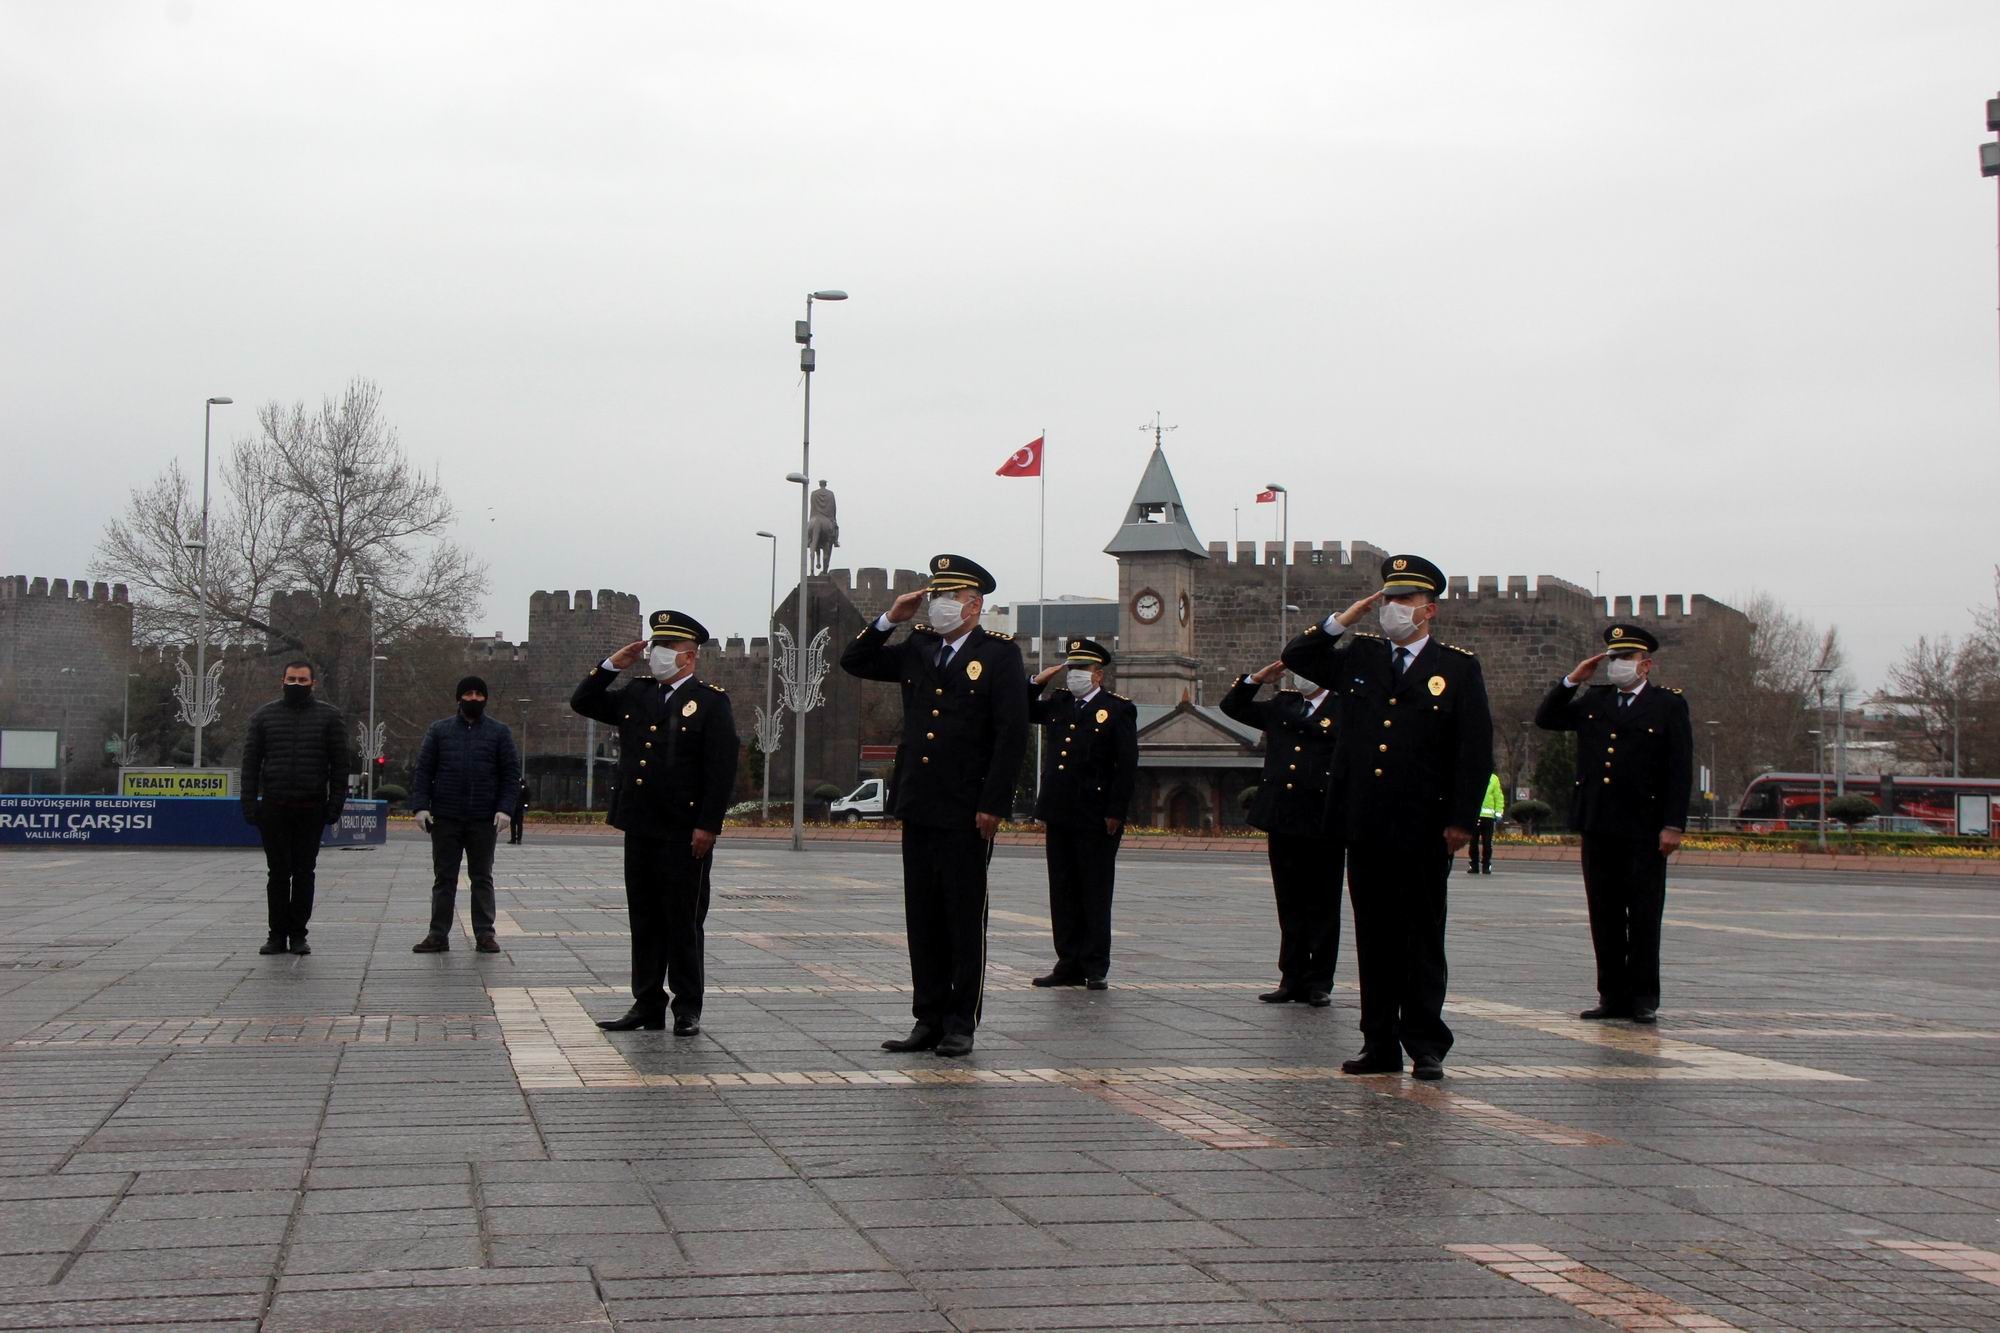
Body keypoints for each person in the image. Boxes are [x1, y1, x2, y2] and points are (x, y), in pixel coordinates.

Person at [1284, 554, 1492, 1081]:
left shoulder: (1457, 669)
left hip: (1425, 825)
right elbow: (1299, 654)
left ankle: (1425, 1041)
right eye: (1389, 598)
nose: (1394, 608)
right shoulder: (1361, 656)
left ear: (1430, 611)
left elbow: (1473, 750)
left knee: (1421, 935)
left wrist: (1462, 820)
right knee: (1374, 936)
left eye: (1405, 600)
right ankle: (1379, 1043)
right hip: (1366, 822)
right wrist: (1345, 618)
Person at [840, 554, 1028, 1058]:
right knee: (922, 916)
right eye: (935, 595)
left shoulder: (999, 655)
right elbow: (854, 662)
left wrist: (993, 804)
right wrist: (889, 620)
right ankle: (927, 1017)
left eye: (950, 597)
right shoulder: (919, 647)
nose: (940, 605)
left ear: (975, 603)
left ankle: (959, 1022)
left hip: (967, 806)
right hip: (919, 800)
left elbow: (1011, 735)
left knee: (963, 917)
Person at [570, 610, 738, 1036]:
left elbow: (720, 771)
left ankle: (687, 1007)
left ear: (689, 656)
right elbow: (583, 701)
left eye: (667, 648)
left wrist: (708, 825)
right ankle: (647, 1002)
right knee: (644, 919)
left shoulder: (711, 701)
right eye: (655, 646)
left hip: (685, 831)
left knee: (683, 920)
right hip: (641, 824)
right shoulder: (637, 694)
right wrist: (612, 665)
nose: (657, 655)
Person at [1534, 623, 1693, 1025]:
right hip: (1599, 822)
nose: (1617, 665)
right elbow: (1546, 718)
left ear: (1646, 664)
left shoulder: (1667, 705)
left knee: (1642, 913)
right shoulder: (1595, 701)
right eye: (1613, 658)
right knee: (1603, 913)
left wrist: (1673, 824)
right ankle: (1611, 994)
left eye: (1626, 658)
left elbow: (1679, 770)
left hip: (1644, 825)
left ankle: (1643, 997)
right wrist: (1572, 680)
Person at [1220, 659, 1341, 1007]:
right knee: (1289, 902)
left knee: (1322, 902)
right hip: (1283, 816)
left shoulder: (1345, 707)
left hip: (1322, 820)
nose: (1298, 676)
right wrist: (1257, 679)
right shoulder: (1283, 705)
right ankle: (1291, 976)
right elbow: (1233, 707)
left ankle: (1319, 981)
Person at [1027, 638, 1137, 990]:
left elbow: (1125, 765)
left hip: (1096, 814)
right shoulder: (1059, 704)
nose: (1074, 675)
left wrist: (1116, 811)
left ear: (1098, 675)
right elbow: (1020, 708)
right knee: (1062, 889)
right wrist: (1037, 682)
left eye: (1082, 670)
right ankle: (1068, 961)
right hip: (1060, 811)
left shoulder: (1116, 709)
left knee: (1094, 889)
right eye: (1071, 669)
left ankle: (1094, 965)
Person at [239, 659, 350, 956]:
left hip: (311, 807)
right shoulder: (264, 716)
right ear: (282, 680)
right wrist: (249, 803)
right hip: (274, 806)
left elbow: (340, 765)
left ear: (313, 683)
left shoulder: (330, 717)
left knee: (304, 872)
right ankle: (276, 935)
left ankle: (299, 934)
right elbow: (250, 764)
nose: (296, 685)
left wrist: (335, 803)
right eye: (291, 679)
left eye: (302, 680)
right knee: (277, 873)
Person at [408, 676, 521, 955]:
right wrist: (420, 806)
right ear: (459, 698)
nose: (473, 699)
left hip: (483, 818)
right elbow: (424, 771)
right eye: (468, 694)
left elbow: (510, 775)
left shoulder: (499, 733)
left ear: (485, 699)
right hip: (445, 816)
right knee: (444, 877)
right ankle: (438, 934)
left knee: (482, 876)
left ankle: (484, 934)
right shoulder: (439, 731)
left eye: (478, 694)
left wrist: (505, 808)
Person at [1472, 771, 1504, 874]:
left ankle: (1486, 865)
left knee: (1487, 843)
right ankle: (1474, 865)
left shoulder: (1494, 779)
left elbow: (1498, 797)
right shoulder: (1472, 776)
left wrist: (1498, 813)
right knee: (1473, 843)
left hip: (1488, 817)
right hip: (1474, 816)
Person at [509, 778, 529, 845]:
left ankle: (519, 839)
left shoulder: (524, 788)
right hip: (514, 808)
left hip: (520, 808)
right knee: (513, 824)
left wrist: (525, 806)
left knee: (519, 824)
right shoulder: (513, 787)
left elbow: (527, 798)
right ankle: (513, 838)